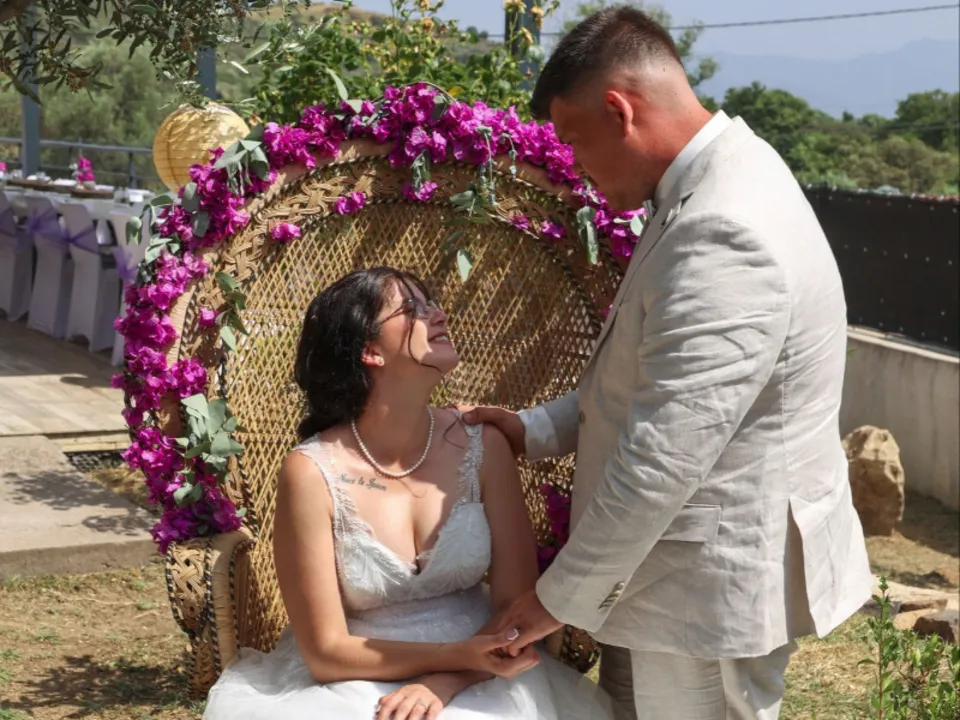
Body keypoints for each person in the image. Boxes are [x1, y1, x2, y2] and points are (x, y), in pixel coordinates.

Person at [463, 7, 874, 720]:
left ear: (620, 111)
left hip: (701, 589)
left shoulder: (723, 228)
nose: (576, 166)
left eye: (575, 141)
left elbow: (665, 453)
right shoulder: (722, 176)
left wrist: (555, 600)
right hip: (667, 576)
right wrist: (533, 430)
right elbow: (648, 381)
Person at [203, 268, 617, 720]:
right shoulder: (311, 471)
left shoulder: (485, 444)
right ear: (369, 350)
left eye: (431, 304)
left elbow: (516, 610)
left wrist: (448, 680)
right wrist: (454, 656)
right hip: (357, 672)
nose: (438, 315)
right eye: (411, 309)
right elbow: (325, 652)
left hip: (484, 669)